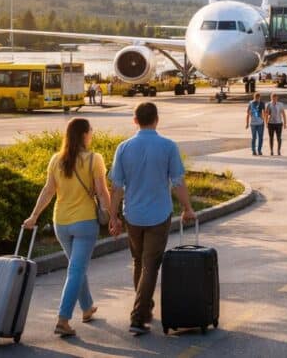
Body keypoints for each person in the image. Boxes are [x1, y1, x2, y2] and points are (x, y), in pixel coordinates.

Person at [23, 117, 116, 338]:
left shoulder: (57, 159)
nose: (92, 134)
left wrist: (34, 216)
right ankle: (63, 319)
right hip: (84, 223)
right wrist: (112, 216)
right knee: (76, 270)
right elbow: (102, 192)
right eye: (91, 131)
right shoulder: (95, 159)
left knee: (77, 267)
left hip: (61, 223)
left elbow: (48, 191)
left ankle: (86, 308)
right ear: (84, 134)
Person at [108, 102, 196, 336]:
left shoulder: (123, 148)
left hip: (133, 216)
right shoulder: (168, 146)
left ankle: (144, 307)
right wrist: (187, 208)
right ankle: (138, 317)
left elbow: (116, 187)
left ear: (134, 121)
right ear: (157, 119)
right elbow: (177, 182)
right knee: (150, 266)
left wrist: (113, 216)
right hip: (158, 215)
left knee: (139, 262)